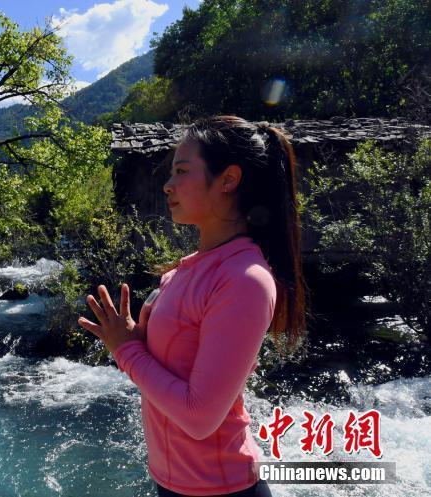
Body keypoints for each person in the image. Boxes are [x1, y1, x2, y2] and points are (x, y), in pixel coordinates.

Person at [78, 115, 307, 496]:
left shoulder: (243, 279)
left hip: (222, 488)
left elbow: (199, 418)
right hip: (173, 482)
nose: (168, 185)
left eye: (182, 171)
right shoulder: (183, 271)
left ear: (228, 180)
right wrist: (134, 338)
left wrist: (126, 351)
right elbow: (170, 366)